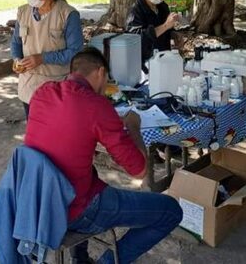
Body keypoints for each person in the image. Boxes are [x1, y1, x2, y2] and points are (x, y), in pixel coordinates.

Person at [24, 48, 183, 264]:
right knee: (171, 210)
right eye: (106, 78)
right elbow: (139, 170)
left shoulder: (42, 93)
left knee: (88, 173)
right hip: (76, 209)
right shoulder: (96, 105)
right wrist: (133, 127)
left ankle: (80, 258)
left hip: (36, 202)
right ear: (100, 72)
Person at [9, 0, 83, 118]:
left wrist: (42, 58)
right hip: (28, 86)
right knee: (33, 134)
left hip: (56, 88)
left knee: (55, 135)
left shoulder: (68, 14)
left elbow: (75, 52)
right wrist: (17, 59)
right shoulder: (23, 12)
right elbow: (16, 43)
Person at [126, 0, 180, 73]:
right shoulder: (135, 11)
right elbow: (135, 40)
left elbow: (167, 31)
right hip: (144, 67)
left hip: (164, 61)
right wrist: (165, 26)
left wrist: (174, 34)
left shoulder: (163, 7)